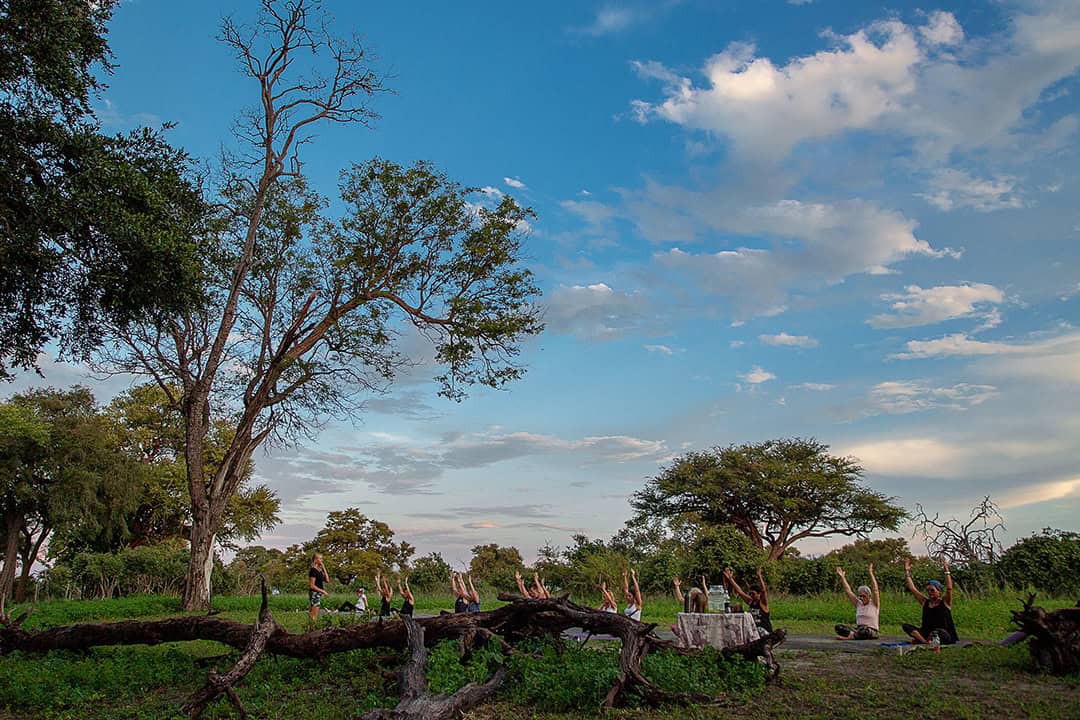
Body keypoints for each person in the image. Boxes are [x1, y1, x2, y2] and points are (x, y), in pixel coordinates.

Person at [902, 558, 958, 645]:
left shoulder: (945, 602)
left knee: (939, 632)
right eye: (928, 590)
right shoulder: (925, 602)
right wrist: (907, 572)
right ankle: (925, 641)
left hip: (943, 634)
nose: (930, 593)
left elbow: (949, 589)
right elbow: (912, 589)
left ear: (938, 591)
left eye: (932, 590)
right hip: (926, 633)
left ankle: (925, 640)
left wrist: (947, 571)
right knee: (906, 626)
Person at [834, 563, 880, 640]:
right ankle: (854, 635)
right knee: (839, 627)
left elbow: (875, 590)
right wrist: (842, 577)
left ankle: (851, 637)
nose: (862, 598)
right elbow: (848, 591)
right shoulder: (858, 604)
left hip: (870, 630)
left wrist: (871, 573)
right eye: (860, 596)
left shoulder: (874, 604)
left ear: (869, 596)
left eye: (864, 596)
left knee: (865, 631)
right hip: (858, 629)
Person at [724, 567, 772, 635]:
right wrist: (730, 579)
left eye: (753, 594)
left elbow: (764, 590)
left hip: (764, 631)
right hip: (754, 631)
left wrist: (759, 576)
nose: (751, 595)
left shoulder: (763, 603)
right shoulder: (750, 601)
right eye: (750, 593)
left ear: (759, 594)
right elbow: (739, 591)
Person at [307, 553, 330, 621]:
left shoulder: (319, 570)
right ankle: (311, 630)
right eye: (320, 559)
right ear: (316, 559)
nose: (322, 560)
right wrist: (323, 591)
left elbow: (327, 580)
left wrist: (323, 568)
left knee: (314, 615)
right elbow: (312, 586)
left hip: (318, 594)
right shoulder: (313, 570)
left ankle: (310, 629)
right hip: (314, 594)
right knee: (313, 616)